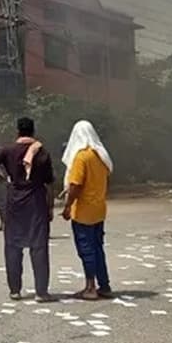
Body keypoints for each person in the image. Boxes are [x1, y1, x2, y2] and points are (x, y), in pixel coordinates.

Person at [0, 117, 56, 302]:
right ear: (33, 131)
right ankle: (41, 292)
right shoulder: (42, 152)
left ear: (17, 131)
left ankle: (15, 290)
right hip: (36, 201)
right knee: (39, 246)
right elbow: (49, 184)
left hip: (15, 200)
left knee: (13, 246)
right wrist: (50, 207)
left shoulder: (7, 150)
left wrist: (1, 179)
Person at [61, 120, 113, 301]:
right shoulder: (101, 156)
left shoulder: (81, 157)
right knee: (98, 248)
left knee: (86, 250)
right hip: (99, 209)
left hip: (83, 211)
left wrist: (67, 206)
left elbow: (75, 185)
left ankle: (90, 287)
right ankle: (104, 286)